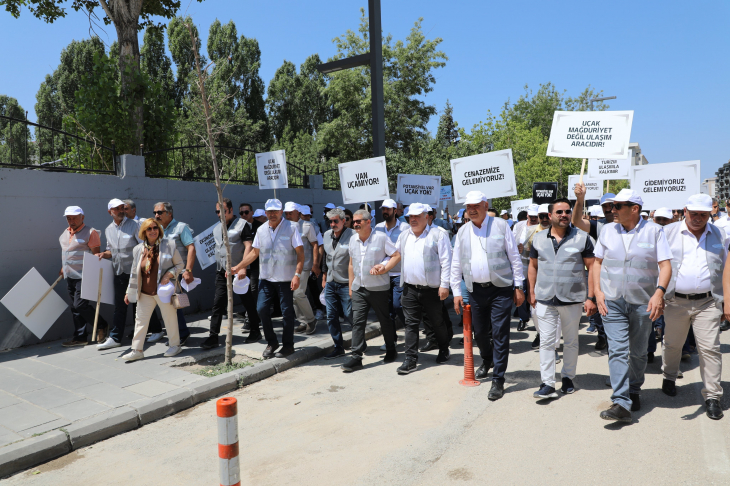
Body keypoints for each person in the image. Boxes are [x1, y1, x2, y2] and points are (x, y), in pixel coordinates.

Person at [594, 188, 672, 423]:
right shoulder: (607, 230)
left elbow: (666, 266)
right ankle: (620, 400)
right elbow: (597, 262)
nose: (612, 210)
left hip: (642, 302)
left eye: (617, 206)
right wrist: (597, 292)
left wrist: (659, 293)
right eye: (610, 206)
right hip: (612, 301)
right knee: (617, 349)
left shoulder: (655, 231)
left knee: (638, 353)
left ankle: (634, 390)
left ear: (634, 209)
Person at [451, 191, 524, 400]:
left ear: (485, 205)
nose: (471, 210)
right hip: (475, 291)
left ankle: (498, 380)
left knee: (500, 333)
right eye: (468, 207)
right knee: (480, 333)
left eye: (475, 206)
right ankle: (487, 359)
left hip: (500, 289)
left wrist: (518, 286)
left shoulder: (501, 226)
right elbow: (456, 263)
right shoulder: (463, 231)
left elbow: (514, 258)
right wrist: (456, 291)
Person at [662, 194, 726, 420]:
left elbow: (726, 267)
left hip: (708, 302)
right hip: (674, 301)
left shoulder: (719, 233)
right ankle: (669, 376)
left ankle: (712, 396)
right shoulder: (668, 233)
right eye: (694, 213)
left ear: (711, 214)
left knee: (710, 349)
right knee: (673, 345)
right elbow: (657, 266)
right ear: (684, 210)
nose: (698, 218)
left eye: (704, 214)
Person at [527, 198, 597, 399]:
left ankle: (567, 377)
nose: (564, 215)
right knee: (547, 342)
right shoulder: (538, 238)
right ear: (550, 216)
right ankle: (547, 383)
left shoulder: (582, 238)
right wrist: (531, 291)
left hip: (572, 299)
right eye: (559, 212)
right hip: (545, 298)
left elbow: (592, 267)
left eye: (567, 211)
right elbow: (532, 266)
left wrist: (590, 297)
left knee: (571, 342)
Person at [235, 199, 305, 358]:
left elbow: (300, 254)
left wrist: (297, 275)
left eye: (276, 211)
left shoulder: (292, 228)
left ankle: (288, 345)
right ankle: (272, 342)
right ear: (265, 213)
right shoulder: (261, 230)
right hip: (266, 278)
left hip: (286, 279)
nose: (272, 214)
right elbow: (254, 252)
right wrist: (239, 266)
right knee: (261, 309)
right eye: (269, 211)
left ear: (281, 212)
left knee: (287, 313)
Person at [341, 209, 402, 371]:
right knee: (358, 322)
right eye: (354, 222)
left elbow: (396, 255)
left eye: (358, 221)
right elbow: (351, 264)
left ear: (368, 222)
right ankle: (356, 356)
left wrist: (384, 267)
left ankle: (390, 348)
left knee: (385, 320)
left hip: (379, 288)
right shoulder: (353, 240)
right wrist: (351, 286)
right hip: (359, 288)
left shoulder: (381, 238)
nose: (355, 224)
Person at [396, 202, 453, 375]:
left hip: (432, 290)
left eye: (416, 217)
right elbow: (395, 255)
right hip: (410, 289)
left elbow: (446, 262)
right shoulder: (405, 235)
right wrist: (382, 266)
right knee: (410, 324)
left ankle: (444, 348)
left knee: (437, 322)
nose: (413, 220)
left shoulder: (438, 235)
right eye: (410, 217)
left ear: (426, 217)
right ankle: (410, 359)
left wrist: (444, 285)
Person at [98, 198, 163, 349]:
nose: (121, 210)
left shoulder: (135, 225)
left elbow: (144, 247)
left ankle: (156, 330)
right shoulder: (108, 230)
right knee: (120, 306)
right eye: (117, 208)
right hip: (119, 272)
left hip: (136, 272)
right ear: (110, 212)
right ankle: (115, 338)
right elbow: (111, 250)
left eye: (122, 207)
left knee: (140, 302)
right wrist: (103, 254)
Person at [121, 218, 184, 361]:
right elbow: (134, 272)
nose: (153, 231)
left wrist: (169, 274)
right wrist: (128, 292)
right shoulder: (138, 249)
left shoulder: (169, 245)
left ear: (159, 230)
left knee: (170, 318)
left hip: (163, 291)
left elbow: (180, 264)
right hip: (145, 292)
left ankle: (175, 345)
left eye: (155, 228)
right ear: (144, 232)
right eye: (149, 229)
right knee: (140, 321)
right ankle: (137, 350)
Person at [572, 186, 615, 352]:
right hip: (601, 277)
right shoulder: (599, 226)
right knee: (599, 310)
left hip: (622, 281)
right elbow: (576, 222)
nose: (609, 209)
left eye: (612, 205)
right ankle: (603, 337)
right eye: (605, 206)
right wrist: (580, 200)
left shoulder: (632, 226)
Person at [202, 197, 248, 350]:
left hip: (238, 270)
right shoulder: (217, 228)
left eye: (222, 211)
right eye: (217, 211)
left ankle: (255, 330)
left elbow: (249, 247)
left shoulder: (242, 225)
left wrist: (243, 267)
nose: (219, 214)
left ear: (231, 210)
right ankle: (213, 337)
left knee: (247, 300)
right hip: (222, 272)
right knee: (218, 303)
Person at [59, 206, 108, 347]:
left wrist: (93, 276)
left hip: (84, 275)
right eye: (68, 218)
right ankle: (80, 337)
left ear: (82, 217)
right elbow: (66, 253)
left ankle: (102, 325)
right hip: (70, 275)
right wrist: (63, 267)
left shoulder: (90, 232)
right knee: (74, 308)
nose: (71, 221)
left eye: (74, 217)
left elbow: (96, 256)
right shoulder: (65, 233)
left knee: (80, 305)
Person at [151, 202, 194, 345]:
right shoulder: (158, 229)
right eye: (155, 212)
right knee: (166, 305)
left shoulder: (181, 227)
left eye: (160, 212)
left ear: (169, 213)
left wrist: (188, 270)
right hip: (162, 274)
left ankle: (182, 334)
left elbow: (191, 248)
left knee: (175, 304)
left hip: (177, 272)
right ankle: (175, 335)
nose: (156, 215)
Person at [321, 208, 355, 359]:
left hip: (347, 282)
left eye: (336, 221)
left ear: (343, 221)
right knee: (331, 316)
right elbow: (326, 257)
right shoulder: (327, 235)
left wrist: (353, 284)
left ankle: (359, 342)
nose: (333, 224)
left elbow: (356, 261)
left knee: (349, 314)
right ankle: (338, 346)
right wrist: (324, 277)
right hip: (330, 281)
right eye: (330, 221)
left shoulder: (353, 236)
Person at [283, 202, 320, 335]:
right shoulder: (285, 226)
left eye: (290, 213)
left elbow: (315, 245)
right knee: (294, 296)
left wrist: (316, 264)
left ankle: (311, 320)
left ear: (298, 213)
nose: (287, 216)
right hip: (290, 266)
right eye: (286, 213)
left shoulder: (307, 226)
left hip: (304, 265)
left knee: (299, 294)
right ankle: (303, 321)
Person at [374, 199, 408, 344]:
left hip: (399, 274)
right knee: (386, 310)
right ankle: (391, 339)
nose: (385, 212)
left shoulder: (405, 228)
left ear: (396, 211)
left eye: (388, 209)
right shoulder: (378, 228)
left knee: (397, 305)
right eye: (383, 209)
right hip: (383, 275)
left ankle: (411, 331)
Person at [237, 203, 263, 341]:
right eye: (241, 213)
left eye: (246, 212)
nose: (244, 215)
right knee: (244, 291)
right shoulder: (238, 226)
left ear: (251, 212)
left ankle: (250, 319)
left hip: (255, 265)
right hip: (242, 264)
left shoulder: (259, 226)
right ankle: (252, 318)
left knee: (253, 291)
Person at [515, 204, 540, 331]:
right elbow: (511, 242)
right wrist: (516, 248)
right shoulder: (519, 226)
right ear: (527, 215)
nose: (534, 219)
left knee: (534, 294)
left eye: (536, 216)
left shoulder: (542, 228)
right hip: (521, 266)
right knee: (521, 293)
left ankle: (538, 322)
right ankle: (523, 318)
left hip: (536, 267)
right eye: (531, 216)